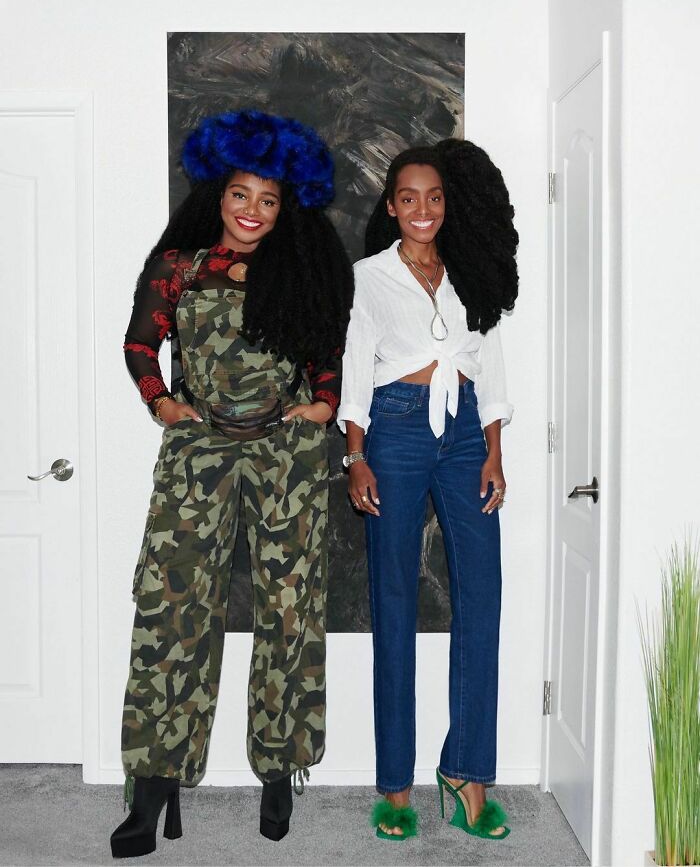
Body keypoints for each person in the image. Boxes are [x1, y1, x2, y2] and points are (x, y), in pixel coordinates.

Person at [110, 109, 353, 858]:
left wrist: (322, 404)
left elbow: (323, 349)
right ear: (220, 194)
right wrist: (162, 402)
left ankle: (279, 765)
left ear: (286, 208)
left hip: (287, 452)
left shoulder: (300, 268)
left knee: (290, 606)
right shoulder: (180, 265)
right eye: (241, 195)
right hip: (197, 450)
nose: (252, 211)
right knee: (171, 608)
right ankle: (153, 783)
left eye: (268, 200)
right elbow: (140, 340)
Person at [337, 140, 518, 841]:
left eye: (434, 197)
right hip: (398, 430)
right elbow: (355, 364)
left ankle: (467, 772)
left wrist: (496, 450)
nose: (422, 209)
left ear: (448, 203)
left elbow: (490, 363)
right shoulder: (368, 276)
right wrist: (356, 454)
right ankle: (395, 786)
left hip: (468, 432)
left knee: (482, 597)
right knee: (394, 600)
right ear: (390, 205)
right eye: (408, 197)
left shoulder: (471, 270)